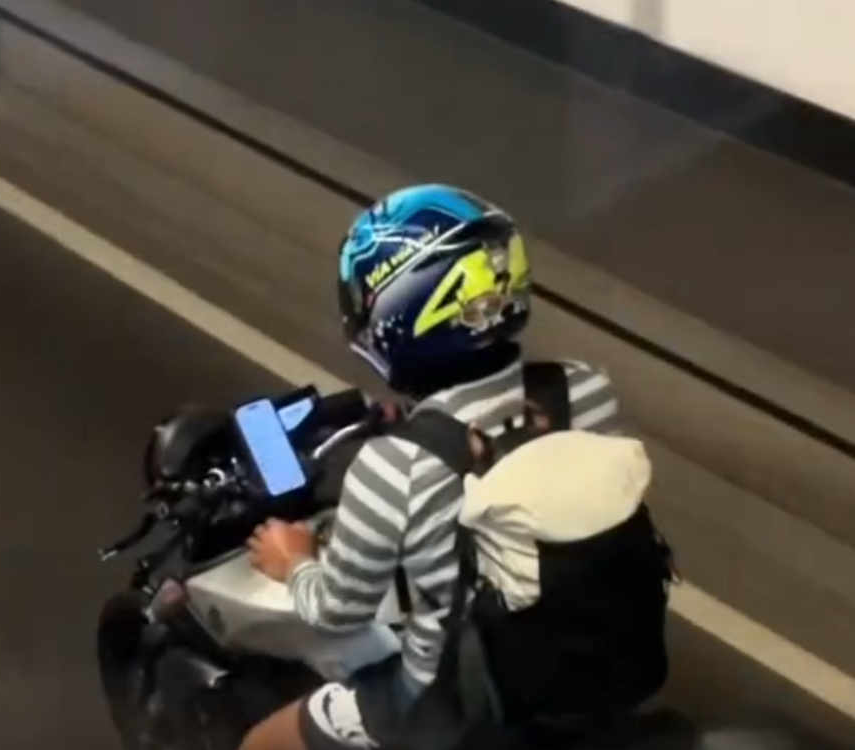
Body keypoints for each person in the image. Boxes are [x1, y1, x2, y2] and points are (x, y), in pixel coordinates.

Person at [243, 184, 622, 750]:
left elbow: (337, 612)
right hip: (595, 664)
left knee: (261, 743)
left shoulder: (394, 467)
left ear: (396, 316)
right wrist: (422, 421)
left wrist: (292, 560)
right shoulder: (586, 390)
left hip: (456, 706)